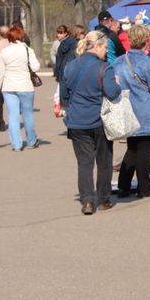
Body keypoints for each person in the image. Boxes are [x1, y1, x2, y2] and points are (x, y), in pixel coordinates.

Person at [61, 31, 121, 214]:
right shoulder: (105, 67)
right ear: (97, 46)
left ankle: (87, 200)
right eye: (105, 47)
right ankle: (103, 199)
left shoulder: (70, 66)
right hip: (99, 120)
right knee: (104, 161)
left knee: (84, 163)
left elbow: (64, 95)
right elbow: (112, 93)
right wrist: (117, 84)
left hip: (77, 121)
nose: (106, 51)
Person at [109, 25, 150, 199]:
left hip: (127, 109)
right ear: (145, 41)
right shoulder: (147, 63)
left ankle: (123, 185)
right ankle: (144, 187)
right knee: (144, 149)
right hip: (145, 110)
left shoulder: (119, 62)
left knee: (132, 148)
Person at [0, 26, 41, 151]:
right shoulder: (28, 50)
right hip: (25, 86)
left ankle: (16, 144)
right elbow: (36, 67)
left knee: (13, 116)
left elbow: (0, 73)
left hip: (8, 87)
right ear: (22, 37)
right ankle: (31, 141)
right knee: (27, 115)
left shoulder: (5, 51)